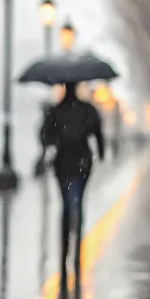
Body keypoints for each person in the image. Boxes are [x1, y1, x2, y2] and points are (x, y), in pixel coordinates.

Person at [42, 84, 105, 281]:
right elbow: (98, 134)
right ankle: (76, 249)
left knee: (66, 206)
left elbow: (45, 137)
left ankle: (65, 252)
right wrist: (100, 153)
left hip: (63, 164)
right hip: (82, 163)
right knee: (77, 203)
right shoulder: (87, 110)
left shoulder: (55, 111)